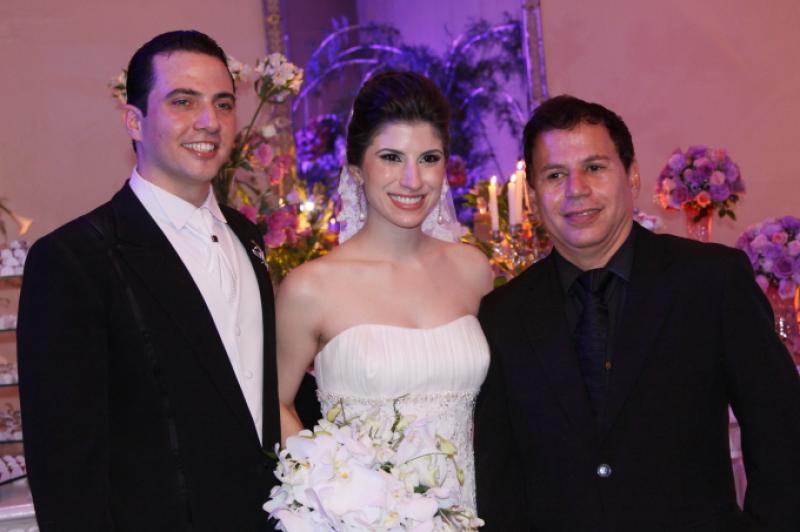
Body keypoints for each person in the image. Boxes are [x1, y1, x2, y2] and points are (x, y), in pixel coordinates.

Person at [475, 95, 800, 531]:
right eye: (554, 175)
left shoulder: (710, 281)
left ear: (631, 175)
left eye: (594, 167)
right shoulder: (503, 315)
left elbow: (782, 435)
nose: (576, 189)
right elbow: (499, 483)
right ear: (533, 196)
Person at [17, 30, 280, 531]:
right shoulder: (74, 259)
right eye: (183, 101)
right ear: (134, 121)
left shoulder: (248, 237)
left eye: (223, 104)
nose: (209, 121)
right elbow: (64, 463)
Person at [275, 71, 493, 514]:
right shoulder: (311, 288)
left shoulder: (473, 270)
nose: (412, 179)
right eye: (391, 157)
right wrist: (327, 498)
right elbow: (274, 403)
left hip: (470, 512)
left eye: (429, 158)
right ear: (356, 168)